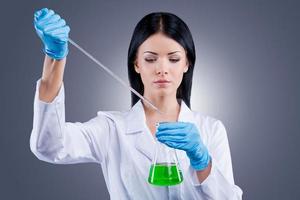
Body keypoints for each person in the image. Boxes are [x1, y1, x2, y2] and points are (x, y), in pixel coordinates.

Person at [30, 7, 243, 199]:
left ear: (187, 63)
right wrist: (56, 58)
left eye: (174, 59)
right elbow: (49, 147)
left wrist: (202, 160)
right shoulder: (112, 129)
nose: (162, 68)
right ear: (136, 64)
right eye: (150, 59)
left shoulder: (210, 130)